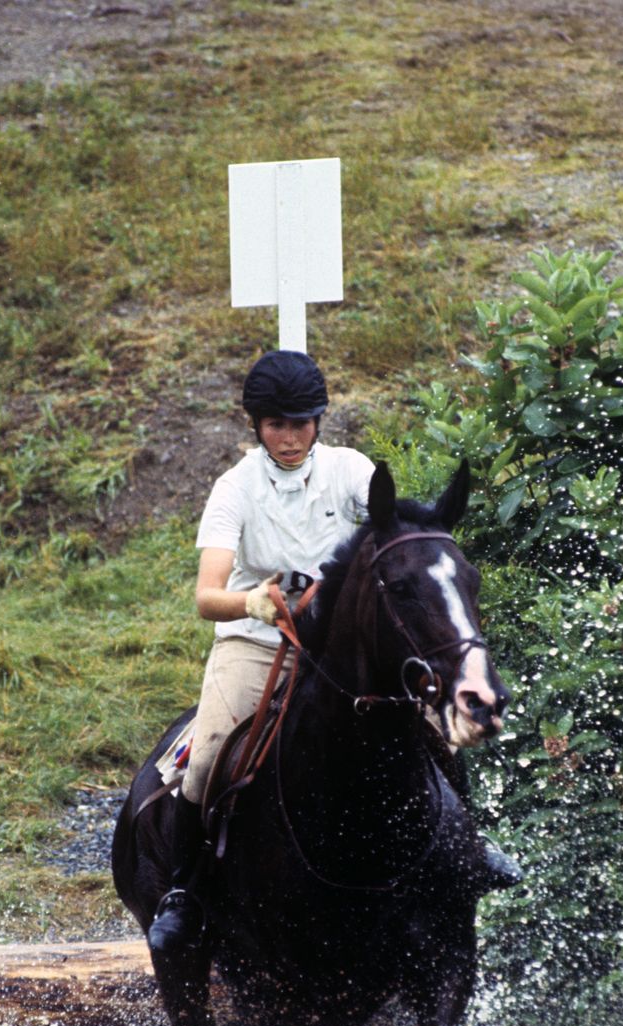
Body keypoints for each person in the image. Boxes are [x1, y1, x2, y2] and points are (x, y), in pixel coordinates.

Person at [148, 350, 522, 953]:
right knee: (210, 748)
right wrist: (255, 602)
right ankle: (185, 892)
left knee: (432, 724)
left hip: (334, 645)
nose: (290, 438)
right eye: (276, 425)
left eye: (301, 424)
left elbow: (395, 527)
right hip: (254, 641)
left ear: (319, 421)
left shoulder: (349, 470)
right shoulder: (234, 489)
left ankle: (471, 848)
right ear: (256, 426)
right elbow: (206, 595)